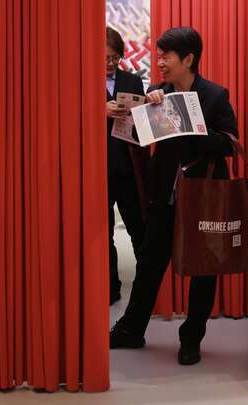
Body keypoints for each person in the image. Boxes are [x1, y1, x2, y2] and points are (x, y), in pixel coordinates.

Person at [110, 27, 239, 367]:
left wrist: (192, 130)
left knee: (203, 269)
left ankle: (191, 338)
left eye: (166, 56)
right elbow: (138, 139)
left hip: (202, 196)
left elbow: (230, 142)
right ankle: (131, 329)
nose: (160, 62)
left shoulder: (214, 95)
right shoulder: (157, 92)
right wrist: (134, 114)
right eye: (159, 56)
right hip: (164, 194)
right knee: (149, 263)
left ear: (188, 59)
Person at [105, 27, 147, 305]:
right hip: (99, 169)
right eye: (105, 58)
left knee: (139, 228)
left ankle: (146, 288)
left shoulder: (132, 80)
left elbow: (143, 122)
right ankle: (110, 287)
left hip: (129, 166)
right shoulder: (82, 80)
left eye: (115, 58)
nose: (110, 63)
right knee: (103, 233)